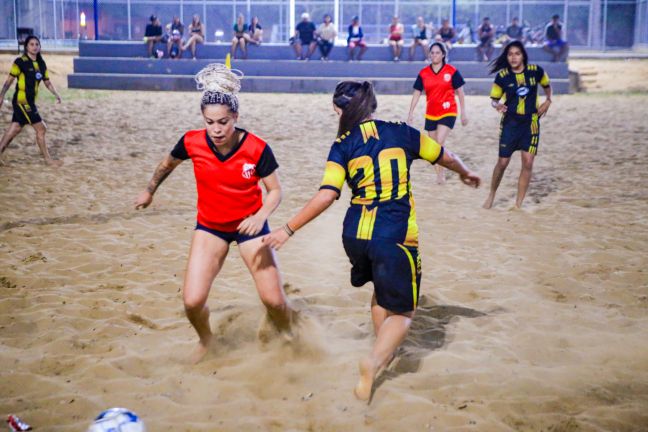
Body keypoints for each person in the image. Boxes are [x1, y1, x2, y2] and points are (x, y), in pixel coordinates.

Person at [263, 81, 480, 401]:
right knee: (404, 312)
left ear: (340, 110)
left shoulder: (342, 144)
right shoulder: (402, 132)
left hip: (355, 236)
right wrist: (464, 172)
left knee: (382, 290)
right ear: (372, 105)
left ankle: (383, 350)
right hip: (394, 235)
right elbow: (444, 155)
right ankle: (373, 362)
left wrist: (288, 229)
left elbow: (327, 195)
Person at [134, 64, 295, 364]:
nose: (217, 129)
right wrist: (149, 191)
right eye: (210, 122)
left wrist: (261, 216)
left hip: (250, 227)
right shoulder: (191, 141)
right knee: (192, 301)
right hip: (210, 227)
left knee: (274, 300)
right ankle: (207, 342)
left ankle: (288, 336)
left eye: (223, 122)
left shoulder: (257, 148)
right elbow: (166, 165)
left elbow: (276, 191)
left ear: (235, 117)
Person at [484, 41, 552, 209]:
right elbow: (493, 100)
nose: (513, 57)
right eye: (510, 54)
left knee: (528, 162)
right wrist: (497, 105)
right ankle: (491, 195)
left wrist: (548, 100)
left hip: (531, 123)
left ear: (523, 55)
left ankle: (518, 205)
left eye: (517, 54)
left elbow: (547, 85)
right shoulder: (502, 76)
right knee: (503, 163)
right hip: (510, 123)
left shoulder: (536, 71)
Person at [407, 42, 468, 185]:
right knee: (434, 148)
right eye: (432, 52)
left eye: (437, 52)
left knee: (439, 143)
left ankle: (443, 174)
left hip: (448, 111)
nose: (434, 55)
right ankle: (440, 174)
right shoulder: (423, 73)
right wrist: (411, 112)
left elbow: (460, 92)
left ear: (443, 54)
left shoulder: (451, 71)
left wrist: (463, 112)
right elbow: (417, 93)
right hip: (431, 113)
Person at [0, 35, 62, 166]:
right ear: (26, 47)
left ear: (40, 47)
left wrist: (56, 94)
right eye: (31, 44)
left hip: (30, 102)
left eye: (37, 44)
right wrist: (1, 95)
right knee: (41, 128)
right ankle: (48, 160)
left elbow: (47, 82)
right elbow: (9, 81)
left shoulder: (41, 64)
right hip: (22, 101)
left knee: (15, 128)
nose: (34, 47)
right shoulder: (20, 62)